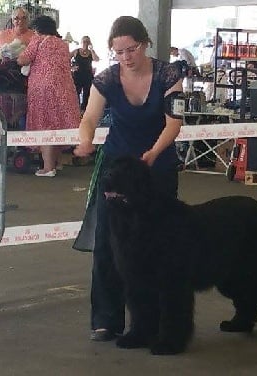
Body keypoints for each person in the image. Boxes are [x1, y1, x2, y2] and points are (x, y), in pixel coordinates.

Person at [72, 16, 183, 341]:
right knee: (108, 243)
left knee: (159, 246)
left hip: (157, 167)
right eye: (118, 52)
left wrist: (153, 153)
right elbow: (90, 117)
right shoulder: (105, 79)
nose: (125, 57)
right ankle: (106, 319)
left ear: (145, 43)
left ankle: (157, 320)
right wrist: (85, 138)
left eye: (131, 49)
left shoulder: (169, 75)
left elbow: (175, 122)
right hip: (118, 170)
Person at [17, 15, 81, 177]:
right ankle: (57, 163)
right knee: (58, 124)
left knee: (44, 125)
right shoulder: (63, 44)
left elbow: (22, 60)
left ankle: (47, 167)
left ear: (38, 29)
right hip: (65, 88)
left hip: (42, 89)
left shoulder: (38, 40)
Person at [70, 35, 100, 111]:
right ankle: (76, 111)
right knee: (76, 94)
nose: (86, 43)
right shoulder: (76, 51)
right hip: (77, 76)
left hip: (88, 77)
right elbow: (65, 58)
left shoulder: (90, 52)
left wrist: (92, 49)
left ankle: (83, 112)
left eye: (87, 41)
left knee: (87, 95)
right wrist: (71, 67)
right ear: (81, 42)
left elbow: (96, 59)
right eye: (84, 41)